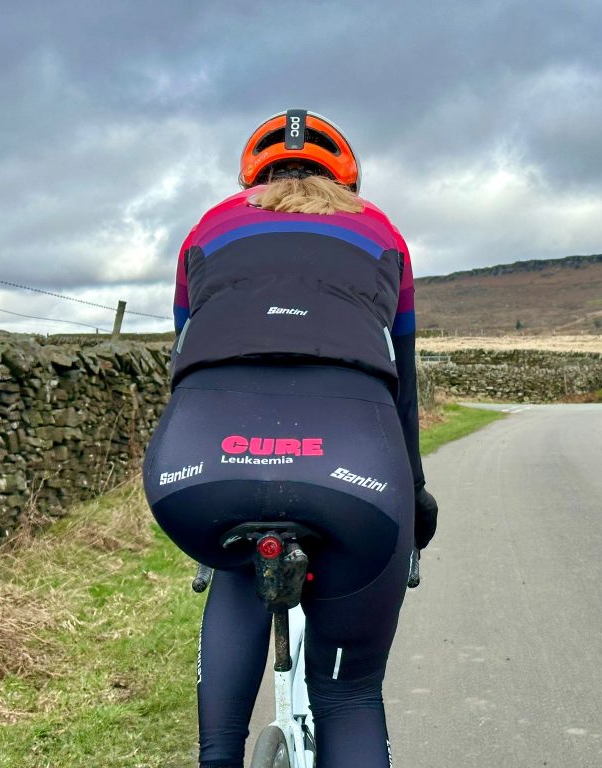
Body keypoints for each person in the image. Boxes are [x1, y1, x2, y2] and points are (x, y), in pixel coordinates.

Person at [142, 109, 438, 768]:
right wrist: (413, 497)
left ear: (254, 174)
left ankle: (217, 755)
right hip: (353, 469)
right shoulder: (382, 233)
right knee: (349, 696)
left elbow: (185, 357)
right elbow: (404, 385)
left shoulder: (207, 230)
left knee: (234, 559)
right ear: (347, 178)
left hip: (199, 462)